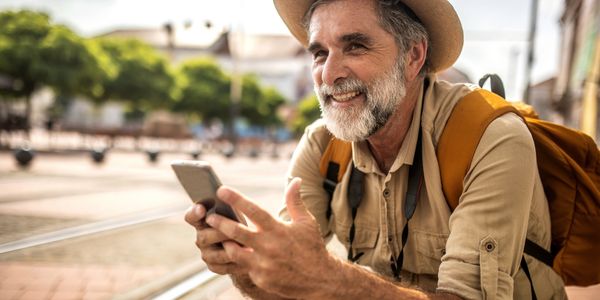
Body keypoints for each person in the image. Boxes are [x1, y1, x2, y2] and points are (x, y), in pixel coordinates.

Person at [185, 0, 567, 298]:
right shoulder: (322, 144)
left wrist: (329, 279)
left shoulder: (491, 137)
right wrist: (245, 263)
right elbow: (287, 285)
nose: (329, 74)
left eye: (355, 46)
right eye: (319, 53)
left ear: (414, 56)